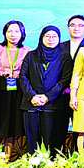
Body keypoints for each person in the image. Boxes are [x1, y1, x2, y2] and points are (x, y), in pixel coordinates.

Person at [20, 25, 72, 154]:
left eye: (54, 36)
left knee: (52, 141)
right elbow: (23, 77)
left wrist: (47, 97)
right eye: (47, 36)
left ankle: (51, 164)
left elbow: (64, 80)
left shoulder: (65, 57)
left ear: (59, 39)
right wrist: (32, 96)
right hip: (31, 104)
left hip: (54, 105)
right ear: (41, 37)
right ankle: (33, 163)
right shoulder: (31, 55)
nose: (51, 39)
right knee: (32, 141)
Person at [0, 20, 29, 156]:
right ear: (5, 33)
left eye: (16, 31)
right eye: (9, 31)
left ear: (22, 34)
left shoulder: (27, 51)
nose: (13, 34)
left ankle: (10, 156)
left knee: (13, 124)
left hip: (18, 90)